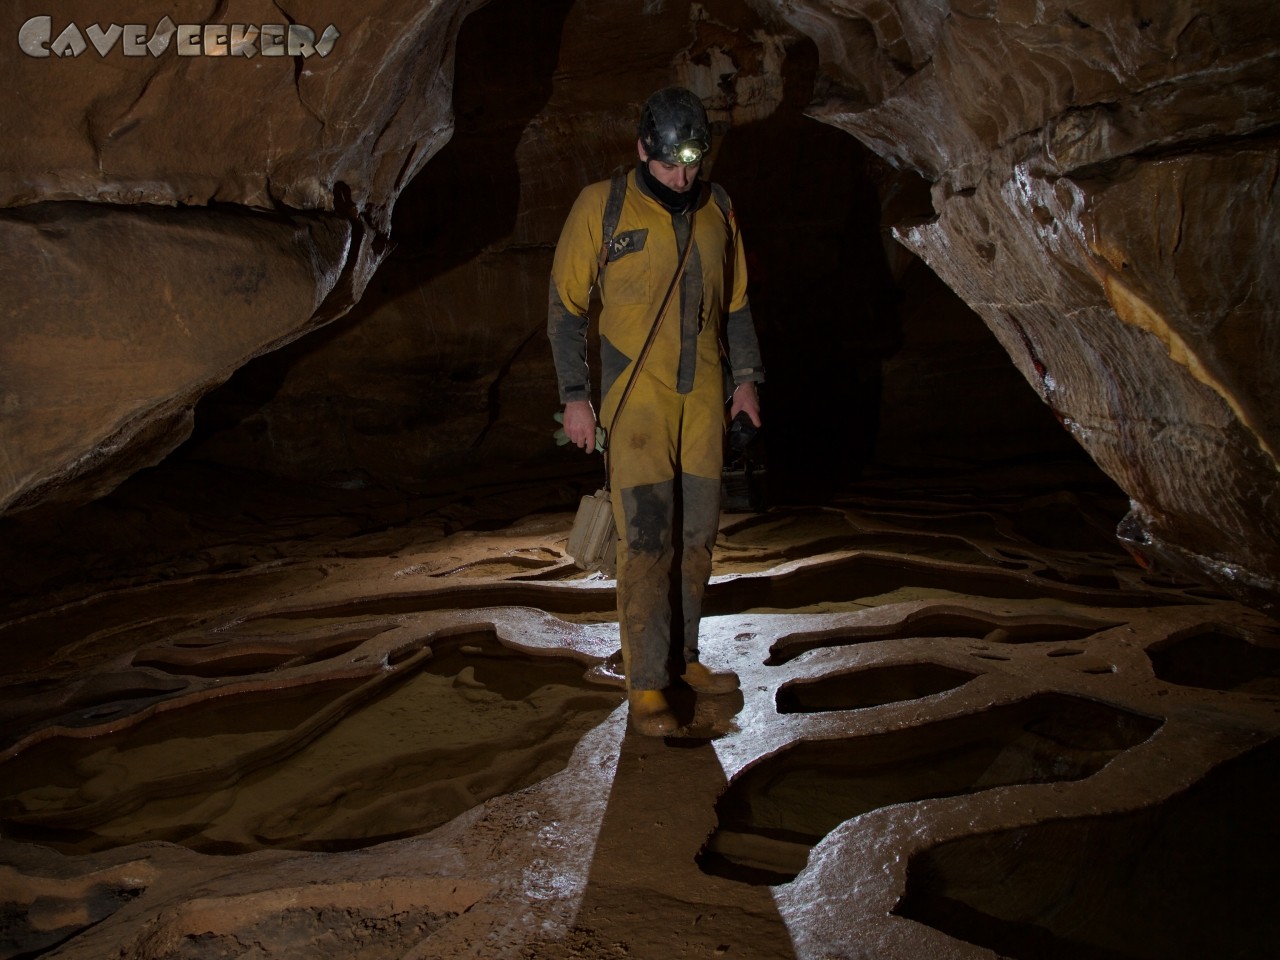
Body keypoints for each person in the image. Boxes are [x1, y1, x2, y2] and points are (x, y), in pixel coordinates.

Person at [547, 86, 764, 736]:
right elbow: (566, 309)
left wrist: (746, 382)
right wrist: (575, 398)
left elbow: (738, 305)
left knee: (697, 539)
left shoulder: (717, 207)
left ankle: (684, 658)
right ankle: (647, 686)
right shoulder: (603, 207)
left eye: (692, 164)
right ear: (643, 149)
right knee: (645, 544)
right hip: (635, 406)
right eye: (670, 164)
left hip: (700, 402)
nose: (682, 177)